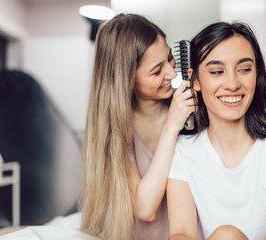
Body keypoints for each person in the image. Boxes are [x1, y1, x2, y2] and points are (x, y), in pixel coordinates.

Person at [167, 21, 266, 240]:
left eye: (245, 69)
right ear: (195, 80)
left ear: (257, 75)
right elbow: (181, 232)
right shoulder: (181, 151)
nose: (232, 83)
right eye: (217, 71)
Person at [80, 14, 196, 240]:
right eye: (156, 71)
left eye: (170, 59)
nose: (172, 74)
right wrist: (172, 126)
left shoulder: (189, 112)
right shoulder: (120, 132)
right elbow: (145, 209)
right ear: (126, 79)